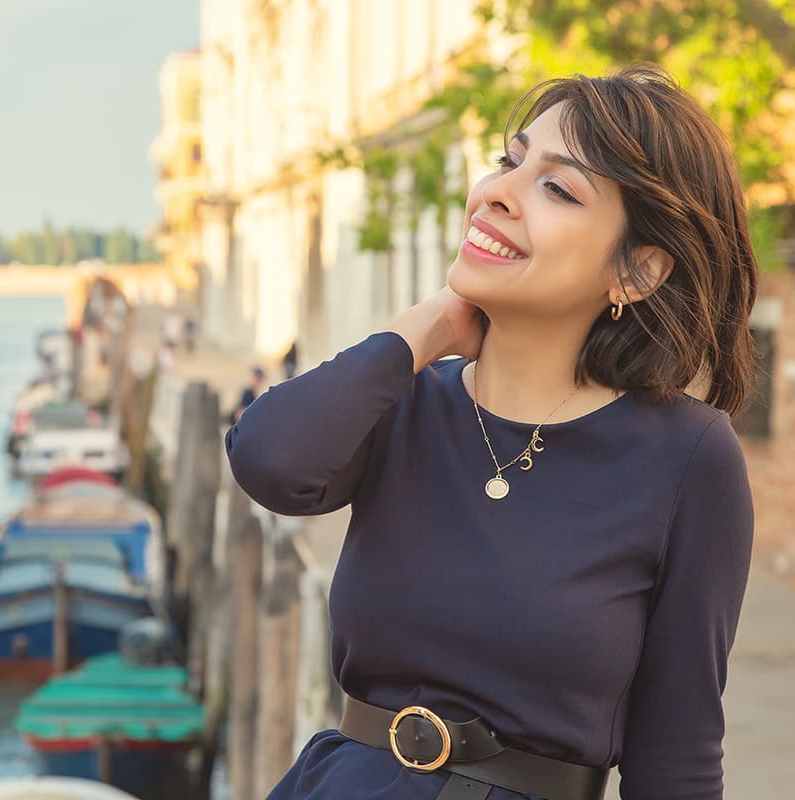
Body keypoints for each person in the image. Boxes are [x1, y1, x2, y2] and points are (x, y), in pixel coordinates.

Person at [225, 65, 757, 800]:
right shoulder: (402, 402)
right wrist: (429, 324)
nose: (497, 192)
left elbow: (680, 760)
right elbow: (269, 460)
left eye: (557, 188)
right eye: (511, 161)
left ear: (637, 271)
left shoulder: (687, 458)